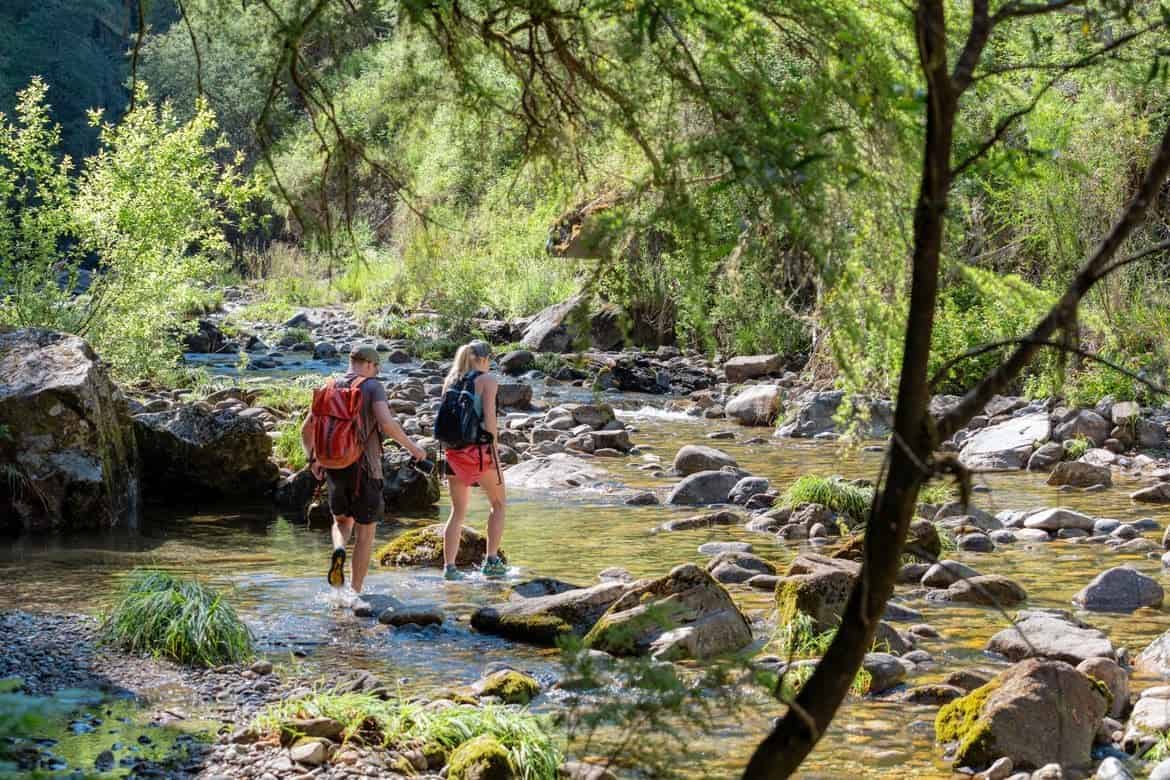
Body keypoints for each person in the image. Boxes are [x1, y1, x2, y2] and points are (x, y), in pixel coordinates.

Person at [301, 345, 427, 594]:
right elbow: (386, 423)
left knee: (341, 522)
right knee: (366, 533)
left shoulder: (329, 386)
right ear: (370, 364)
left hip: (334, 466)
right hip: (366, 469)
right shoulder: (372, 386)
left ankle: (338, 551)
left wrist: (312, 460)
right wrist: (414, 448)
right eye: (377, 367)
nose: (376, 371)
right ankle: (355, 593)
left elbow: (306, 429)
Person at [440, 340, 506, 580]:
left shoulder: (450, 381)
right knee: (498, 504)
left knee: (457, 511)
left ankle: (450, 568)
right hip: (478, 452)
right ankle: (491, 561)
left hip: (453, 452)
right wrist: (495, 451)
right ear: (485, 359)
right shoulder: (487, 380)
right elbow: (489, 419)